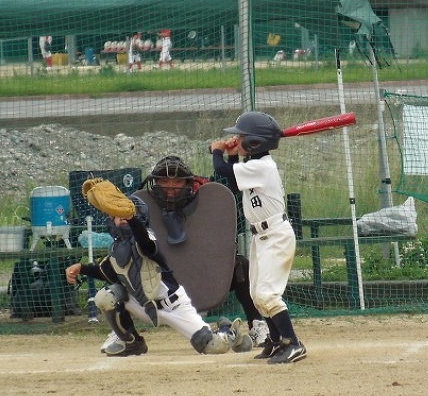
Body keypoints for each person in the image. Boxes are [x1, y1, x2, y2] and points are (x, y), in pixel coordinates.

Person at [65, 179, 252, 357]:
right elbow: (104, 271)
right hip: (143, 305)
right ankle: (131, 342)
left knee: (213, 346)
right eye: (117, 215)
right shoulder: (116, 249)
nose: (121, 218)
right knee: (106, 296)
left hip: (173, 305)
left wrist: (131, 218)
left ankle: (226, 330)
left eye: (126, 214)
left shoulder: (147, 236)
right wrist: (80, 268)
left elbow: (144, 242)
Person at [210, 111, 307, 364]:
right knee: (256, 295)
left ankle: (293, 344)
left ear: (255, 142)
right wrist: (233, 154)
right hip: (261, 236)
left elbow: (221, 169)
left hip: (275, 235)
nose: (237, 139)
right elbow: (234, 184)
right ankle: (275, 342)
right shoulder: (254, 166)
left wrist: (217, 151)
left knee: (268, 295)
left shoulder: (262, 166)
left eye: (241, 137)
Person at [144, 155, 270, 346]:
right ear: (155, 183)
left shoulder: (208, 200)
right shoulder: (141, 205)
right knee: (122, 271)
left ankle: (257, 325)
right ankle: (123, 333)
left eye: (177, 182)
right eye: (164, 181)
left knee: (242, 266)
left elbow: (224, 235)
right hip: (160, 280)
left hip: (204, 274)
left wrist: (231, 157)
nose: (170, 187)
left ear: (187, 183)